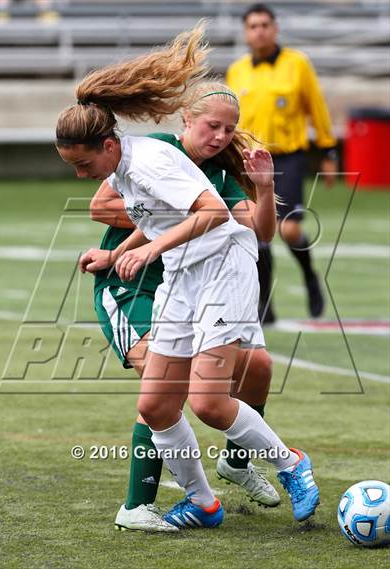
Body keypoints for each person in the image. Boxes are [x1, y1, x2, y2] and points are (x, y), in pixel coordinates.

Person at [55, 25, 320, 530]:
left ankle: (292, 464)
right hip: (183, 272)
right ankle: (202, 501)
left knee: (208, 401)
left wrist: (149, 246)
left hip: (223, 270)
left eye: (84, 163)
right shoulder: (133, 165)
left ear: (109, 146)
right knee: (156, 404)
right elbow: (156, 217)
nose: (80, 173)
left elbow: (213, 214)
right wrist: (124, 253)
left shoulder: (151, 161)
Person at [88, 80, 281, 532]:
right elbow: (100, 207)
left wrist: (264, 191)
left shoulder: (218, 176)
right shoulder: (153, 151)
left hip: (193, 285)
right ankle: (140, 505)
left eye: (229, 130)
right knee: (164, 389)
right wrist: (127, 249)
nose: (220, 136)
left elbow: (263, 232)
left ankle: (235, 464)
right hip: (132, 286)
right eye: (212, 126)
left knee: (259, 367)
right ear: (187, 121)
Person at [226, 3, 338, 323]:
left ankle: (309, 277)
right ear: (246, 33)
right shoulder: (238, 71)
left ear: (275, 28)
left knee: (288, 230)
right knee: (258, 232)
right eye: (253, 26)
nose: (259, 30)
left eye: (264, 24)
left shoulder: (297, 64)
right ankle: (264, 303)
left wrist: (328, 152)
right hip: (249, 159)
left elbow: (316, 107)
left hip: (287, 157)